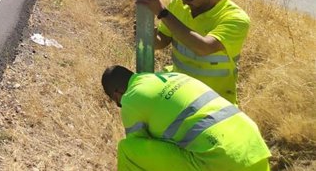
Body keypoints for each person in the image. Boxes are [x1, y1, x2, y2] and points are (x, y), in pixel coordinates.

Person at [102, 65, 271, 171]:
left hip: (220, 160)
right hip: (254, 149)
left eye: (116, 101)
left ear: (117, 94)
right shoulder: (172, 76)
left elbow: (142, 150)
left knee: (128, 149)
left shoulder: (130, 98)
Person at [136, 0, 250, 104]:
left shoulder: (235, 18)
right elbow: (163, 40)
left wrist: (162, 13)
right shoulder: (178, 4)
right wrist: (148, 34)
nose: (184, 2)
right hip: (180, 95)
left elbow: (204, 48)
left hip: (215, 102)